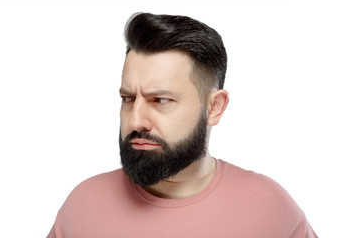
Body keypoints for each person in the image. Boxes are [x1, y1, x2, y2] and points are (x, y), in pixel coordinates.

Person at [47, 12, 317, 237]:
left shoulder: (270, 208)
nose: (136, 120)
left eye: (160, 100)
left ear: (214, 107)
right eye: (128, 98)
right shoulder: (82, 206)